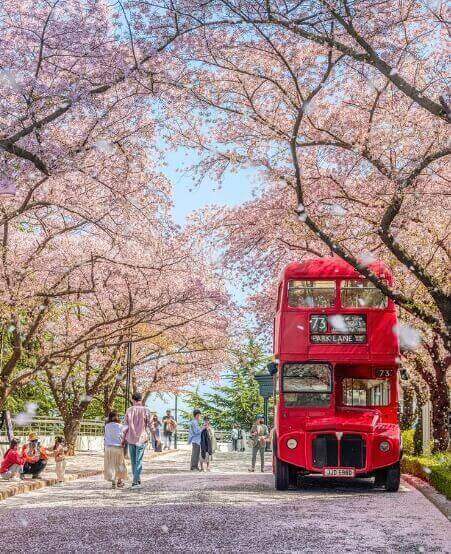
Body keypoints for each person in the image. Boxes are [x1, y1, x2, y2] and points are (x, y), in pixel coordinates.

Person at [122, 392, 151, 488]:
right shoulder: (146, 410)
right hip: (142, 438)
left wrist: (123, 438)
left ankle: (136, 480)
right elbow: (149, 425)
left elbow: (125, 426)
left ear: (133, 400)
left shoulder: (129, 410)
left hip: (131, 438)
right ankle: (135, 481)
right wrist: (155, 437)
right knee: (139, 460)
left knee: (133, 460)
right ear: (141, 399)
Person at [104, 411, 127, 489]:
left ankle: (113, 481)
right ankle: (119, 481)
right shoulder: (120, 426)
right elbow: (123, 436)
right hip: (117, 447)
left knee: (111, 465)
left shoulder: (107, 425)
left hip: (108, 448)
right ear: (116, 417)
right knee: (120, 464)